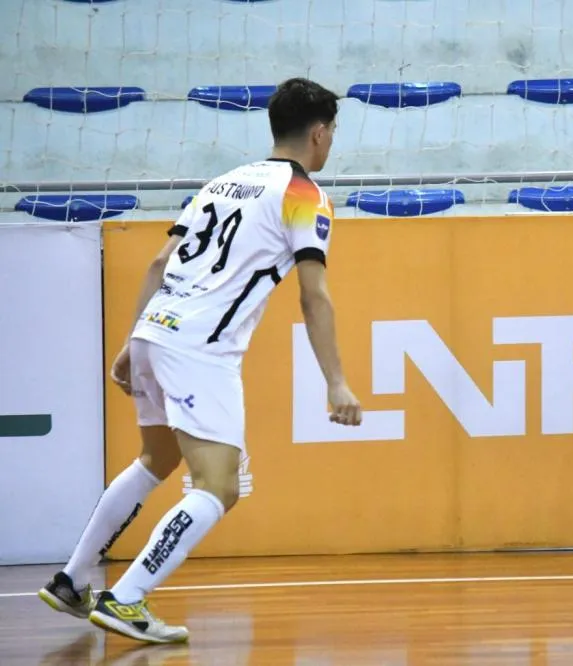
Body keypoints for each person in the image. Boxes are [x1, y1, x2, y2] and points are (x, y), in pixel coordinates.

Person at [37, 77, 362, 643]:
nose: (331, 140)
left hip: (155, 331)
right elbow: (315, 296)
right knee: (219, 486)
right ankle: (127, 597)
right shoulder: (305, 195)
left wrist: (131, 341)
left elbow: (159, 262)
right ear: (318, 132)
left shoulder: (225, 181)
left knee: (154, 460)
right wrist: (337, 382)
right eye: (332, 130)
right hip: (199, 347)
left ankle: (72, 580)